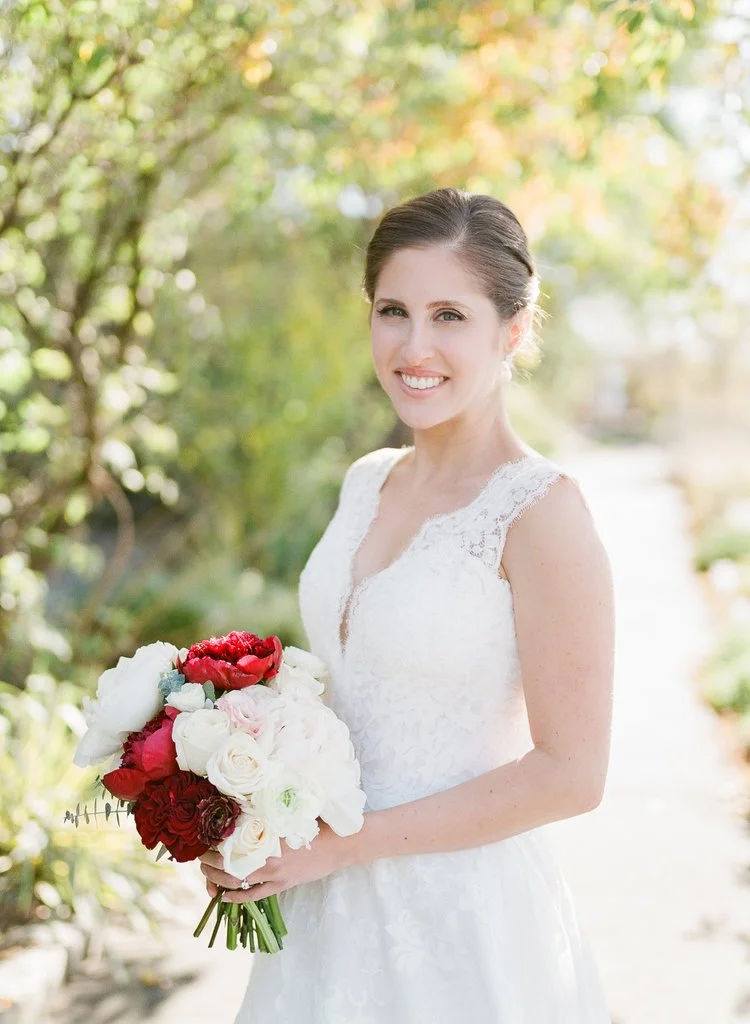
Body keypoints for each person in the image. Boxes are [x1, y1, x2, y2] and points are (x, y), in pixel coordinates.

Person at [200, 187, 615, 1023]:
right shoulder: (367, 479)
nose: (413, 346)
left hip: (460, 924)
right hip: (319, 916)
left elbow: (573, 775)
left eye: (449, 316)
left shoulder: (542, 512)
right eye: (393, 310)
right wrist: (249, 799)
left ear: (514, 328)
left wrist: (339, 849)